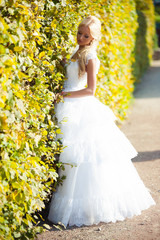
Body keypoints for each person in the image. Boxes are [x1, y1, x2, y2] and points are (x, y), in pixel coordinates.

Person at [48, 16, 155, 227]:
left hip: (80, 108)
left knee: (84, 156)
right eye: (79, 32)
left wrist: (64, 95)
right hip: (68, 105)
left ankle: (88, 207)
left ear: (93, 38)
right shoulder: (76, 51)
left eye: (86, 35)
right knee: (71, 155)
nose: (81, 37)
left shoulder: (90, 57)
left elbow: (90, 90)